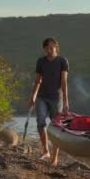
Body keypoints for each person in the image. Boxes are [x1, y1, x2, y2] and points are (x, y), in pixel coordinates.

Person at [29, 37, 70, 166]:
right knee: (40, 122)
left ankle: (55, 158)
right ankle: (46, 151)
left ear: (56, 47)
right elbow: (38, 80)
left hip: (56, 98)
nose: (49, 50)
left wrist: (66, 101)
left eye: (51, 48)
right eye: (47, 48)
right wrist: (33, 96)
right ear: (44, 49)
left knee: (56, 126)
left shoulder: (62, 61)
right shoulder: (41, 61)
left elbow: (64, 82)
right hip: (42, 96)